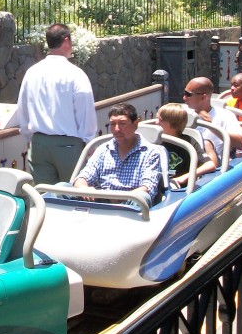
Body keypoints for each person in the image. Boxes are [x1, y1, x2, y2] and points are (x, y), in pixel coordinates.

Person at [14, 23, 98, 184]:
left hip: (39, 144)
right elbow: (85, 111)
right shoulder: (75, 74)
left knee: (44, 198)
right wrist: (88, 141)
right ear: (66, 40)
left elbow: (22, 109)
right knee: (74, 196)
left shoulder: (32, 72)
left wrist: (30, 136)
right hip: (68, 145)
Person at [74, 104, 163, 203]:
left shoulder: (150, 152)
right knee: (61, 188)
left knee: (142, 197)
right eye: (112, 124)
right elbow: (83, 176)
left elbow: (147, 187)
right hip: (100, 200)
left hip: (129, 203)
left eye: (122, 123)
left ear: (135, 123)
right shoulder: (103, 149)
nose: (117, 129)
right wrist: (83, 188)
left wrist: (119, 198)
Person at [182, 77, 242, 165]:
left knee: (206, 143)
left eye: (188, 94)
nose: (184, 98)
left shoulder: (224, 115)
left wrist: (211, 126)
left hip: (208, 161)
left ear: (203, 97)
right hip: (182, 158)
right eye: (184, 93)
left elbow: (241, 144)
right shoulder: (181, 112)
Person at [156, 102, 217, 185]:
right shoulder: (155, 142)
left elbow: (210, 165)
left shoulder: (189, 143)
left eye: (160, 120)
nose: (156, 123)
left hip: (178, 188)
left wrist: (185, 177)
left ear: (173, 124)